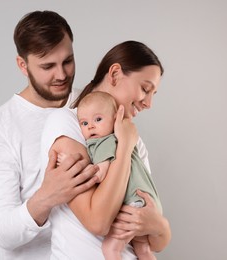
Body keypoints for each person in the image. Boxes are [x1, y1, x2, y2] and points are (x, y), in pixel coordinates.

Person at [0, 10, 100, 260]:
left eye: (68, 61)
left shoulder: (94, 105)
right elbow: (2, 232)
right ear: (23, 65)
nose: (61, 75)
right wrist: (48, 196)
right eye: (47, 66)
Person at [40, 40, 171, 259]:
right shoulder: (68, 125)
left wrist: (160, 226)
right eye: (145, 89)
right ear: (115, 74)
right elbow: (98, 221)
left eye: (152, 94)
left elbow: (156, 242)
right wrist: (125, 147)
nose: (148, 103)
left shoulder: (134, 140)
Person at [75, 91, 162, 259]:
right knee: (143, 249)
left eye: (98, 119)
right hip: (148, 202)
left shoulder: (103, 142)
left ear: (115, 120)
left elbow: (99, 174)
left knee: (110, 249)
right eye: (84, 123)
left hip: (132, 204)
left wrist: (75, 165)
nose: (91, 126)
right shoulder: (125, 140)